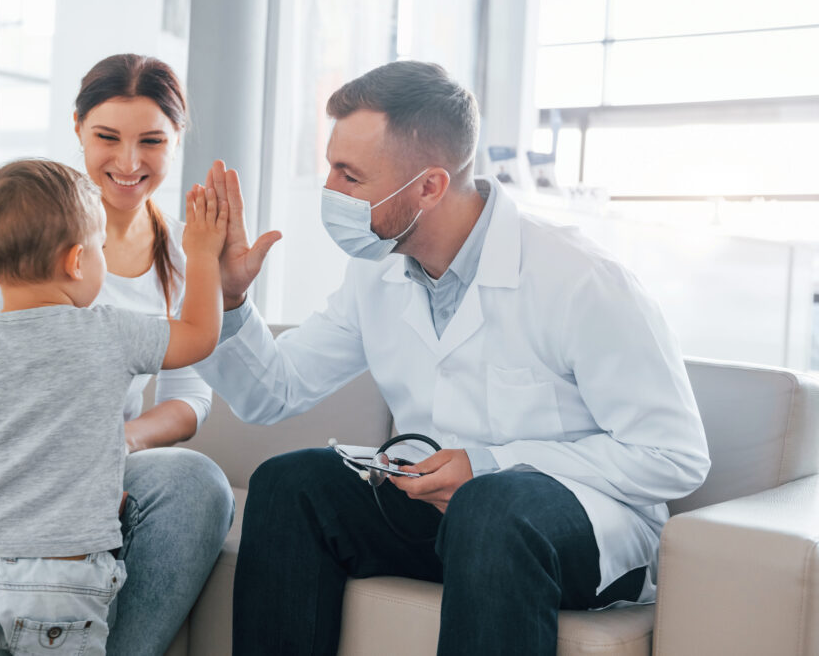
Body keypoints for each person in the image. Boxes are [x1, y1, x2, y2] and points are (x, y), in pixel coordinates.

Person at [193, 60, 711, 654]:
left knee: (490, 505)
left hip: (585, 526)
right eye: (330, 167)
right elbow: (273, 392)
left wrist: (490, 463)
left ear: (430, 187)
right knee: (291, 484)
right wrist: (226, 298)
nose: (330, 191)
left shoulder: (581, 279)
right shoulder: (376, 273)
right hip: (446, 514)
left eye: (349, 175)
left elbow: (674, 456)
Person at [0, 54, 235, 655]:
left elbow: (190, 395)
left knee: (197, 482)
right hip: (7, 486)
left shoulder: (175, 258)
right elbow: (198, 335)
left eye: (151, 141)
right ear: (78, 129)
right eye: (107, 137)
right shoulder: (24, 267)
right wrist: (209, 263)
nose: (129, 162)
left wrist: (113, 445)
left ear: (176, 138)